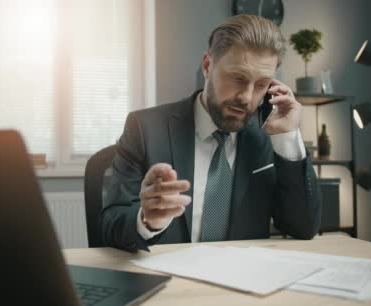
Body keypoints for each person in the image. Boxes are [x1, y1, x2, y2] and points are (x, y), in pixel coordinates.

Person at [99, 14, 322, 252]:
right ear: (207, 66)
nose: (247, 97)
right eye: (238, 78)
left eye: (261, 85)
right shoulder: (145, 128)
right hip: (168, 280)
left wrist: (287, 137)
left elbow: (303, 227)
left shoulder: (268, 137)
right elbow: (110, 225)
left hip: (242, 280)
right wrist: (147, 220)